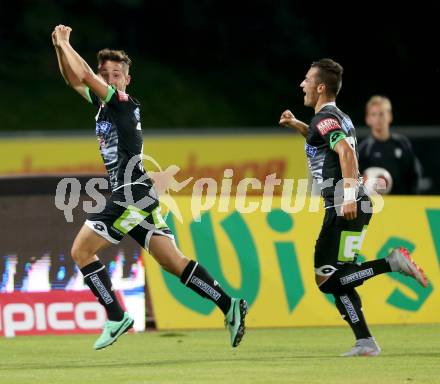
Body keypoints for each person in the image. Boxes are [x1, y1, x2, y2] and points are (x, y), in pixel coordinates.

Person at [52, 25, 247, 350]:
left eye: (116, 74)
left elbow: (83, 73)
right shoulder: (104, 107)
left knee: (81, 251)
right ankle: (230, 306)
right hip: (137, 194)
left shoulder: (123, 103)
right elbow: (74, 78)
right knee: (173, 261)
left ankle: (116, 316)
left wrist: (66, 42)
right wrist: (60, 49)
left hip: (130, 194)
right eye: (107, 74)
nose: (111, 79)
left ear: (127, 80)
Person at [279, 58, 428, 356]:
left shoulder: (325, 119)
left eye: (307, 79)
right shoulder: (336, 118)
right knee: (342, 275)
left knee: (326, 279)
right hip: (356, 205)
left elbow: (345, 151)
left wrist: (346, 196)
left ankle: (391, 263)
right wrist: (298, 125)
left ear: (321, 87)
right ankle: (365, 341)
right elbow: (325, 142)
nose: (302, 84)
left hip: (344, 204)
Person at [359, 95, 422, 194]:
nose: (378, 118)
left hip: (403, 203)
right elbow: (357, 179)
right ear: (368, 119)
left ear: (389, 116)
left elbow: (414, 175)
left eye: (381, 114)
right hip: (376, 205)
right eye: (373, 114)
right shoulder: (364, 149)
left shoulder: (402, 143)